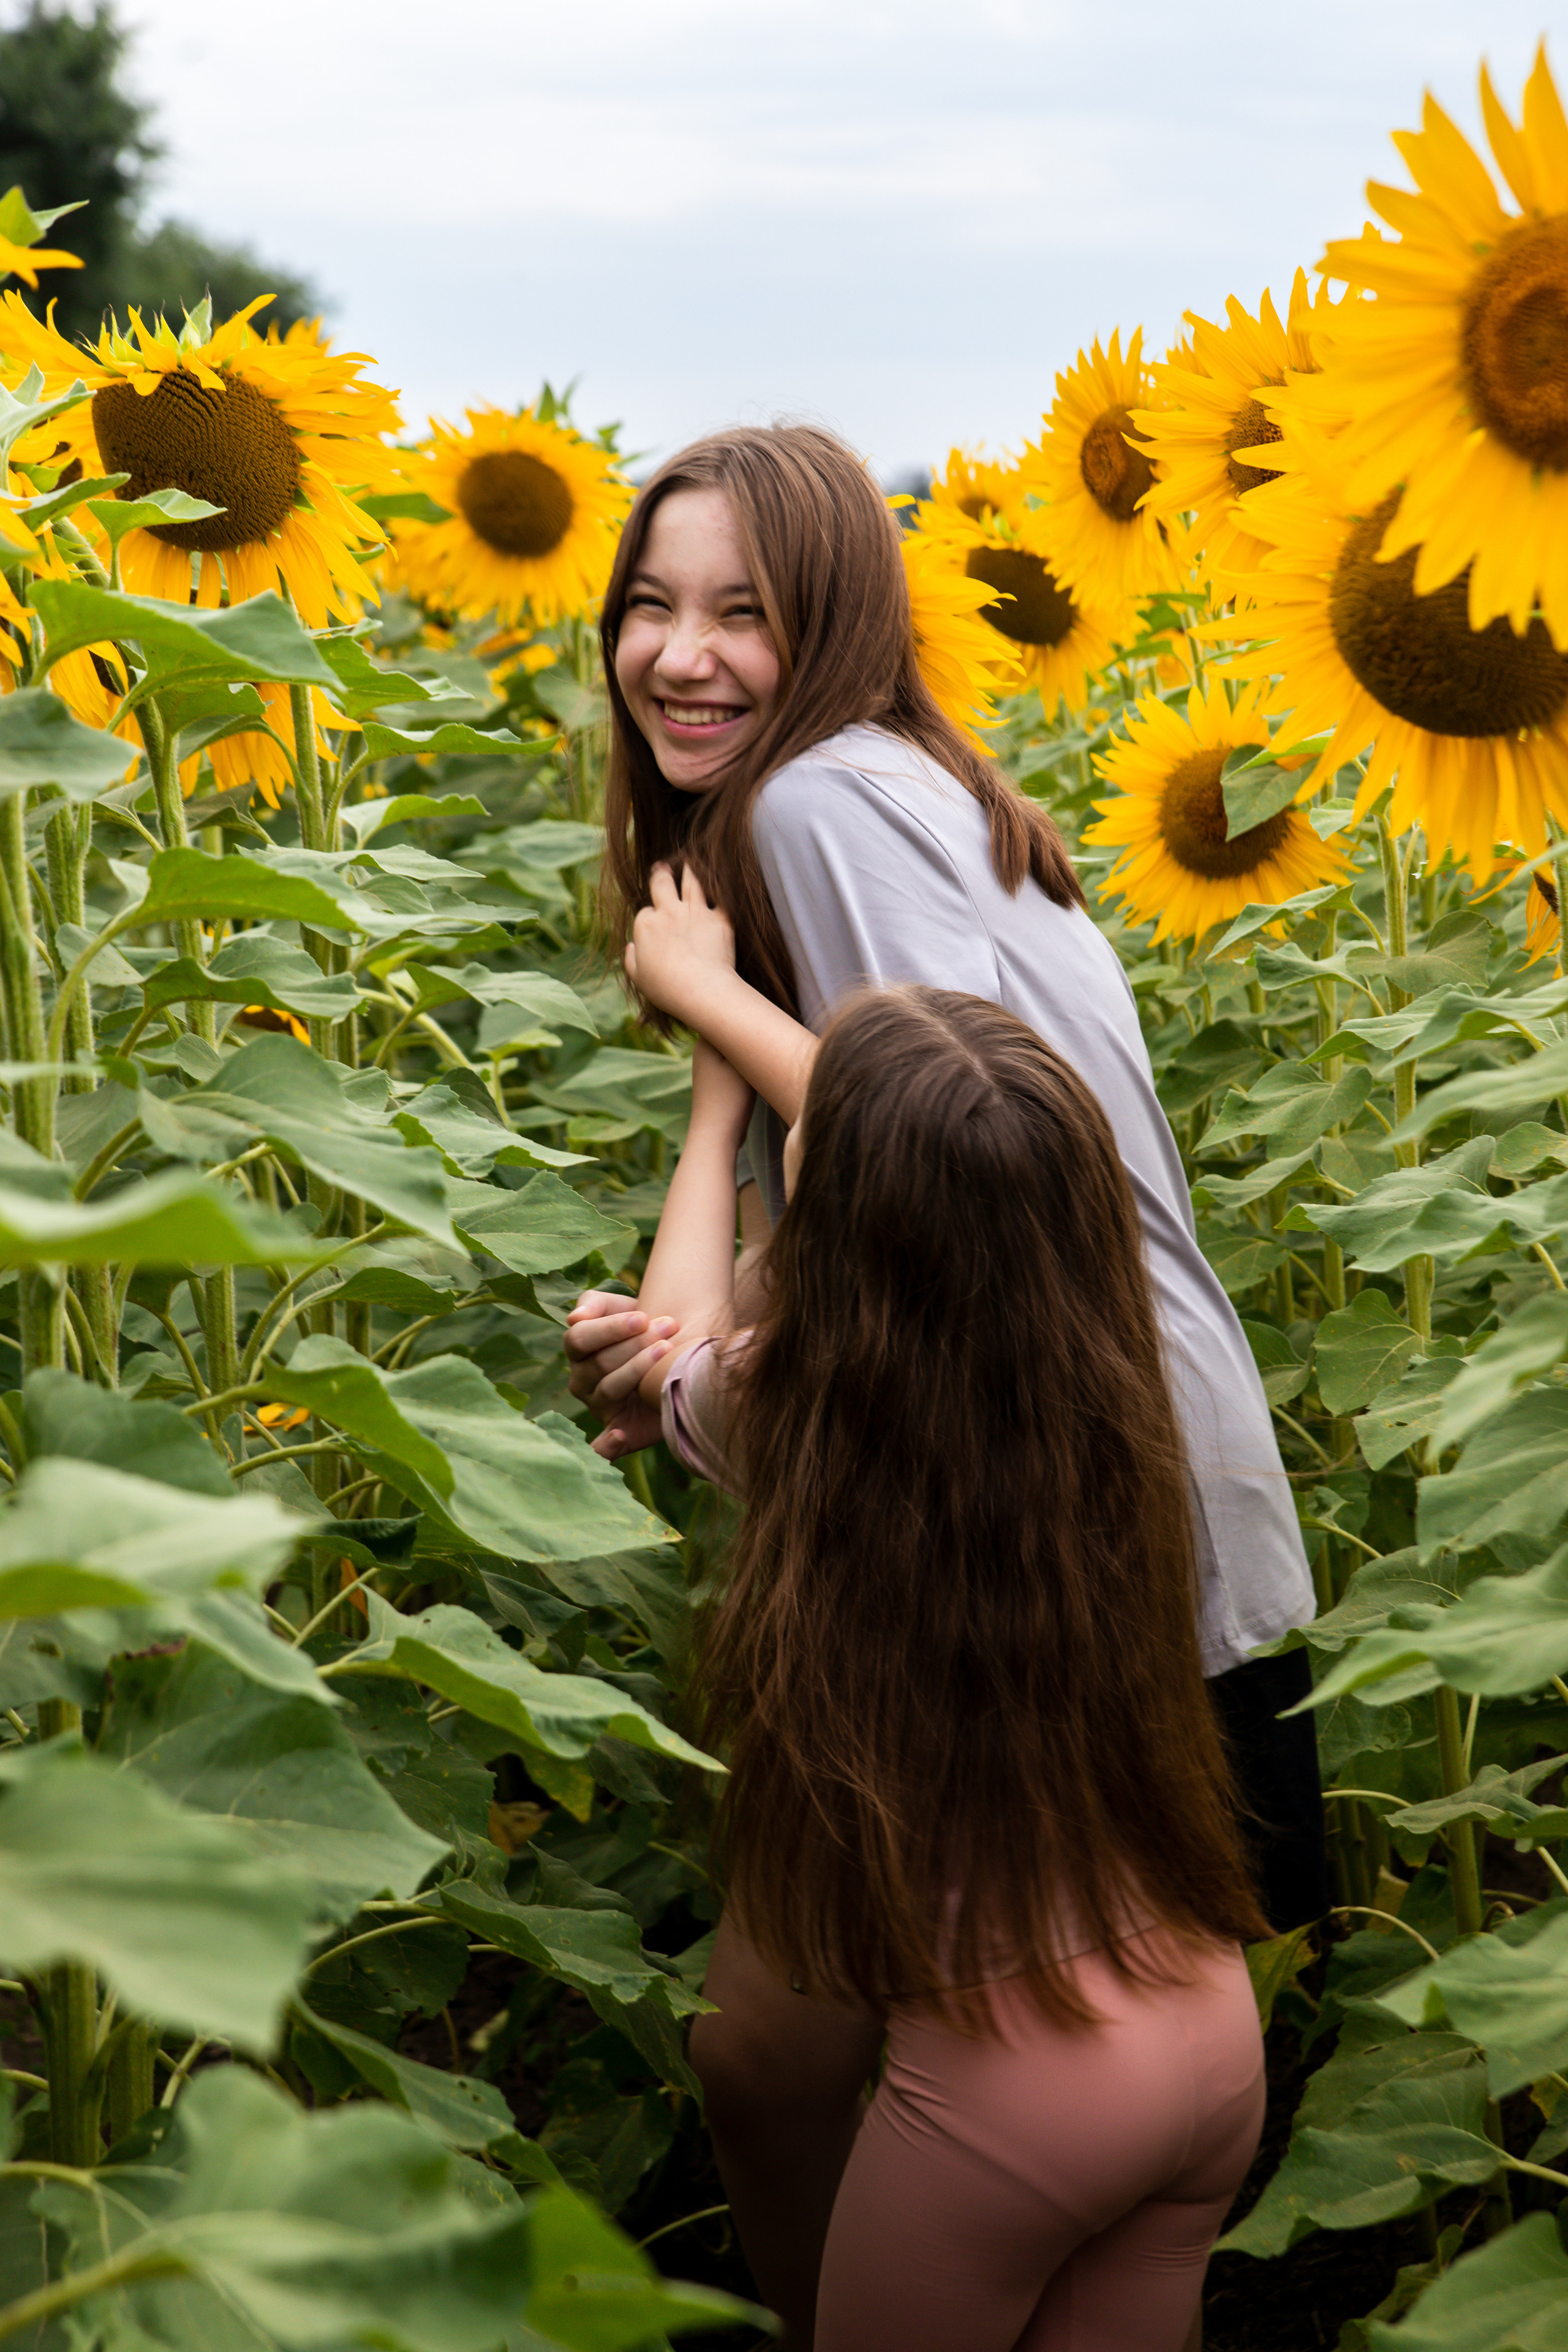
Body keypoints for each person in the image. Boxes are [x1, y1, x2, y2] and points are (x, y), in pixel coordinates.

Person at [566, 418, 1325, 1927]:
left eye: (742, 614)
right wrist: (692, 1356)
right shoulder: (901, 781)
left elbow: (958, 1144)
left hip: (1081, 1462)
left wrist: (709, 1003)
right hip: (1100, 1433)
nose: (678, 656)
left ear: (834, 623)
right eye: (650, 605)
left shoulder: (815, 801)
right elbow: (873, 1177)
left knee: (1126, 2014)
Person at [617, 982, 1268, 2351]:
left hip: (1009, 2096)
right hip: (1206, 2032)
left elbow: (674, 1352)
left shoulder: (810, 1419)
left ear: (838, 1230)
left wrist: (722, 1109)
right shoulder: (1117, 1407)